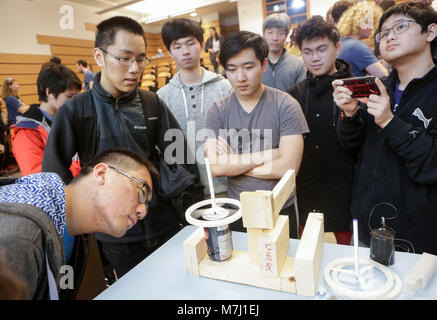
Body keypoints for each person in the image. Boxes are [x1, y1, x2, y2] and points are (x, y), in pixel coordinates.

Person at [42, 16, 200, 278]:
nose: (135, 68)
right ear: (99, 56)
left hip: (165, 226)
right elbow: (53, 175)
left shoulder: (152, 104)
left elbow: (181, 157)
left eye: (140, 59)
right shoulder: (76, 111)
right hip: (117, 239)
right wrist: (88, 214)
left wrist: (190, 212)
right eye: (125, 58)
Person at [332, 2, 437, 254]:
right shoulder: (380, 87)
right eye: (383, 33)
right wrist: (350, 115)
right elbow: (351, 146)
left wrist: (390, 121)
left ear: (430, 32)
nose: (389, 36)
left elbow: (432, 164)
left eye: (400, 27)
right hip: (366, 224)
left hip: (418, 237)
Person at [0, 148, 158, 299]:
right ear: (102, 174)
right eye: (141, 192)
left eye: (147, 205)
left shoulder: (72, 230)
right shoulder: (21, 236)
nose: (142, 212)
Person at [205, 31, 309, 238]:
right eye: (232, 69)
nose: (240, 77)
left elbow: (288, 168)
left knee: (284, 267)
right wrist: (268, 154)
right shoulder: (218, 111)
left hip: (280, 207)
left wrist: (234, 164)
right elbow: (215, 167)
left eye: (248, 67)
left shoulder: (286, 105)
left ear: (263, 65)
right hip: (238, 208)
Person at [288, 16, 356, 245]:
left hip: (345, 199)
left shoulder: (356, 89)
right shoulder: (294, 94)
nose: (315, 58)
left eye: (321, 49)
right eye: (307, 51)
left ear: (337, 47)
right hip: (305, 198)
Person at [158, 18, 231, 196]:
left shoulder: (225, 87)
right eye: (177, 46)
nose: (185, 51)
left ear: (200, 45)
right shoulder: (161, 97)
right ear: (169, 52)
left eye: (190, 43)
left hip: (226, 186)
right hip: (186, 190)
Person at [11, 62, 81, 176]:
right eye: (70, 96)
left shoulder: (68, 120)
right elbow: (38, 178)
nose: (75, 102)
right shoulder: (27, 132)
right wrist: (82, 167)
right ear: (50, 93)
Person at [337, 1, 389, 77]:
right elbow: (384, 76)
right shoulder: (356, 46)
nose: (372, 28)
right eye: (370, 22)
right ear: (359, 22)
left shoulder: (342, 42)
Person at [262, 13, 307, 92]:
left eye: (280, 33)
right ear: (264, 35)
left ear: (286, 36)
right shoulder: (256, 64)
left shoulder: (298, 65)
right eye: (270, 32)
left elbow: (302, 95)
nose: (275, 38)